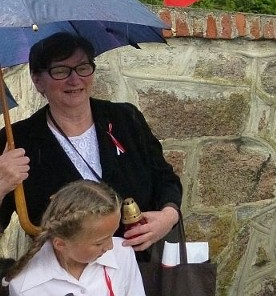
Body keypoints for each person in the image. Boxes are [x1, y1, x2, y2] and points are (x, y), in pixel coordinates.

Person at [0, 32, 182, 255]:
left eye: (83, 67)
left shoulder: (125, 118)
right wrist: (1, 184)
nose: (74, 79)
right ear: (38, 81)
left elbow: (165, 179)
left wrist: (168, 217)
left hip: (137, 265)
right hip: (65, 274)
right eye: (60, 71)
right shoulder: (17, 140)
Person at [4, 179, 145, 295]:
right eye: (99, 243)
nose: (110, 246)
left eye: (112, 234)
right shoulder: (26, 287)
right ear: (60, 244)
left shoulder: (123, 253)